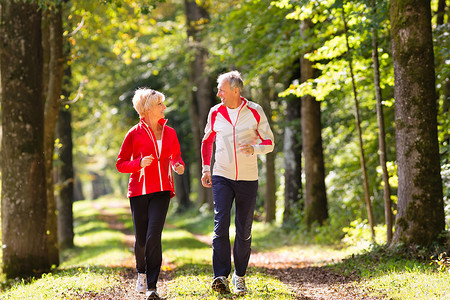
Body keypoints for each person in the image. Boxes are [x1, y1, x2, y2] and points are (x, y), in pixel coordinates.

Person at [201, 71, 274, 295]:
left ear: (235, 90)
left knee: (243, 230)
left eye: (221, 90)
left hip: (248, 178)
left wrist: (255, 148)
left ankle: (239, 276)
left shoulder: (255, 111)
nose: (218, 94)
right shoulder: (216, 112)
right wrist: (206, 169)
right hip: (221, 174)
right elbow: (207, 141)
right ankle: (220, 276)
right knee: (220, 224)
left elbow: (269, 142)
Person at [116, 88, 185, 300]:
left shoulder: (170, 132)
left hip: (162, 190)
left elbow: (176, 157)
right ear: (147, 109)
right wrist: (138, 164)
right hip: (139, 191)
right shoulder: (133, 134)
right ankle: (142, 272)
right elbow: (120, 164)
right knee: (142, 239)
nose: (164, 107)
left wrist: (178, 165)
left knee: (154, 235)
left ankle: (152, 287)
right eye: (159, 104)